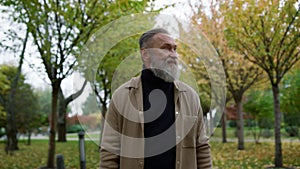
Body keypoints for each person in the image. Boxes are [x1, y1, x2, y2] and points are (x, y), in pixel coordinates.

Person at [100, 28, 212, 169]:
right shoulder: (121, 97)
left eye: (174, 49)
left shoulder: (190, 97)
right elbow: (109, 155)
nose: (173, 55)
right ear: (145, 54)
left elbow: (202, 149)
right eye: (165, 48)